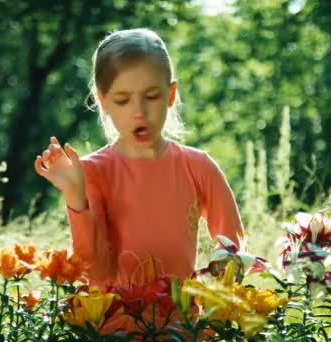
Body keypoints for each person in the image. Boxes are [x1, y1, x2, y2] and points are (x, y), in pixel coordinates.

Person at [34, 28, 244, 289]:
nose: (139, 112)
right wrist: (75, 196)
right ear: (103, 102)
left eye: (152, 96)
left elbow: (233, 248)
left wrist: (214, 292)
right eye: (123, 100)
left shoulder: (198, 167)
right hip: (113, 325)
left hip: (183, 326)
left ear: (171, 95)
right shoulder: (89, 173)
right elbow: (95, 273)